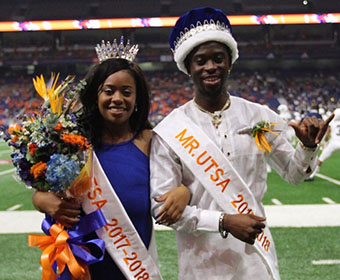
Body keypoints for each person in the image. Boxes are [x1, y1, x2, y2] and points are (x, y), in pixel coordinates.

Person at [150, 7, 334, 280]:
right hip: (200, 267)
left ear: (230, 62)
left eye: (218, 58)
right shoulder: (170, 130)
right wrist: (224, 221)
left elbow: (295, 175)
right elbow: (163, 210)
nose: (210, 66)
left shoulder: (259, 116)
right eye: (200, 60)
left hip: (254, 263)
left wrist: (307, 148)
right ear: (188, 68)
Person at [32, 38, 190, 279]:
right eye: (109, 91)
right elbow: (42, 189)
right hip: (78, 266)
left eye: (127, 92)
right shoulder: (72, 141)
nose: (117, 98)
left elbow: (185, 181)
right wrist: (41, 199)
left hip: (131, 267)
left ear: (138, 100)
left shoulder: (150, 141)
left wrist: (184, 192)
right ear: (95, 95)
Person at [307, 107, 340, 180]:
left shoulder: (333, 122)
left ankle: (312, 175)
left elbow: (328, 131)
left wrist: (326, 137)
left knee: (321, 159)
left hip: (334, 143)